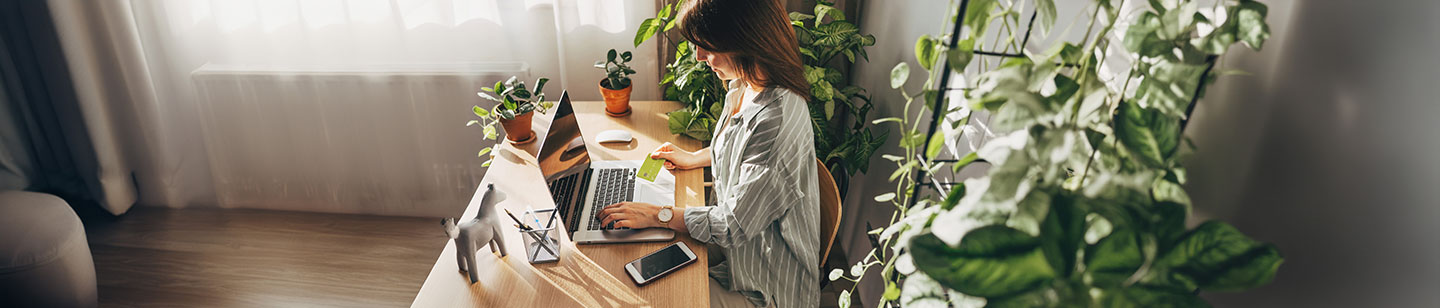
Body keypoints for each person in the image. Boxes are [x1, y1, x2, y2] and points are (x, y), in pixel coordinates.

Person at [597, 0, 821, 307]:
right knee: (632, 257)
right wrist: (694, 158)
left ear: (744, 41)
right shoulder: (747, 84)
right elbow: (741, 150)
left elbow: (732, 226)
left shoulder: (775, 120)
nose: (700, 57)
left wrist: (656, 214)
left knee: (647, 295)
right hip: (741, 252)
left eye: (707, 47)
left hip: (765, 287)